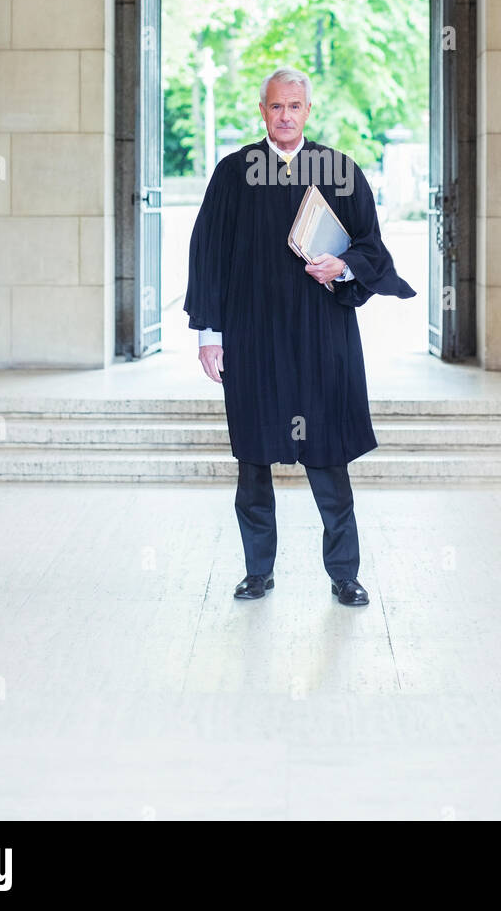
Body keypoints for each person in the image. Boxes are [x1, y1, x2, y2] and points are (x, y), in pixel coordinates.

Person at [183, 67, 416, 606]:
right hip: (254, 337)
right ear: (261, 110)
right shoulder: (234, 173)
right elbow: (208, 256)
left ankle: (344, 574)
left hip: (319, 337)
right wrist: (209, 336)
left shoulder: (337, 170)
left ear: (308, 111)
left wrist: (342, 265)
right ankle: (258, 570)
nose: (285, 116)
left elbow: (372, 248)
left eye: (294, 107)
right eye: (275, 107)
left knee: (328, 457)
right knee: (254, 460)